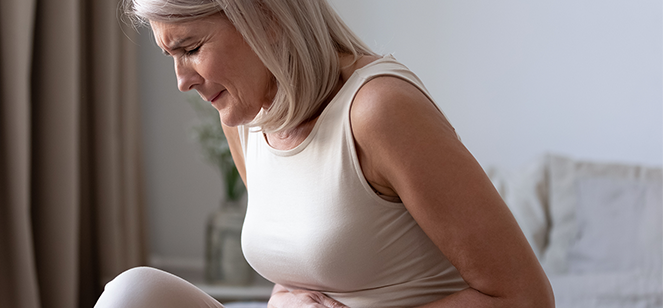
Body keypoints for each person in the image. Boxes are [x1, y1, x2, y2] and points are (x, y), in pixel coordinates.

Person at [96, 0, 554, 307]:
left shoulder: (379, 110)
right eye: (170, 56)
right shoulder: (245, 116)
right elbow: (301, 260)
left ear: (265, 15)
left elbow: (525, 297)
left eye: (192, 49)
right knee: (136, 293)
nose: (182, 80)